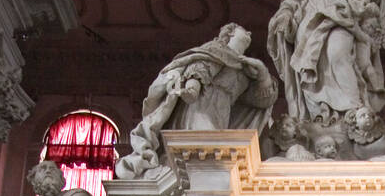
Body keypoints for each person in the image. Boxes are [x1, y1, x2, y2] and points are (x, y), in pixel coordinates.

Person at [116, 24, 276, 177]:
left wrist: (262, 74)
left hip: (222, 113)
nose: (247, 36)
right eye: (242, 34)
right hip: (201, 107)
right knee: (204, 150)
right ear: (230, 35)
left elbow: (260, 101)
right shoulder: (214, 52)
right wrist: (193, 89)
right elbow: (199, 70)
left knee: (214, 153)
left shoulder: (244, 70)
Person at [267, 0, 385, 127]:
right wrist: (285, 15)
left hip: (341, 16)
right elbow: (295, 1)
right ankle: (320, 116)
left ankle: (353, 110)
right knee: (314, 65)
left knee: (338, 53)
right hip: (310, 24)